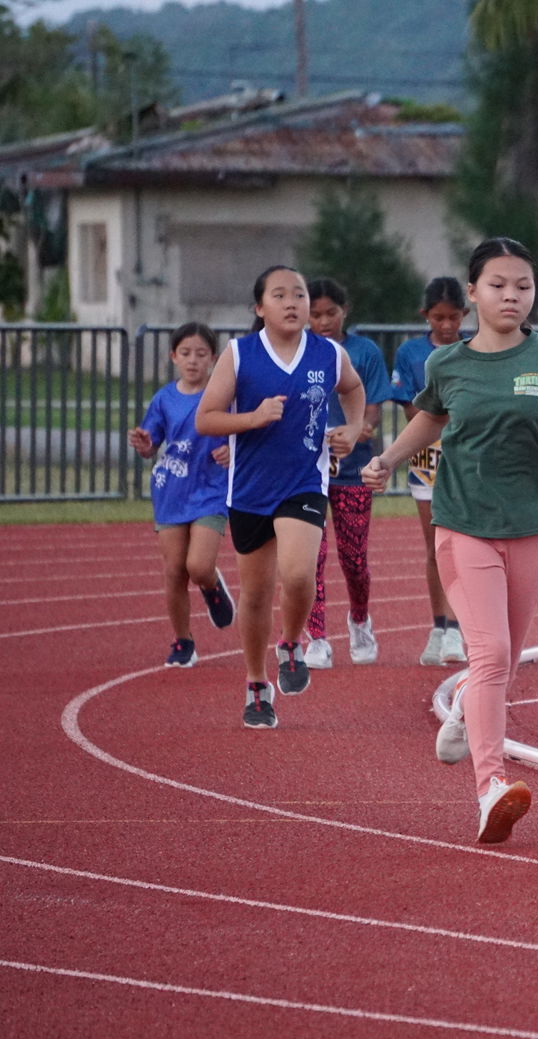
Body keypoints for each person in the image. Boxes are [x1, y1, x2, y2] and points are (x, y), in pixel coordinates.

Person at [362, 237, 538, 845]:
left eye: (523, 286)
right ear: (472, 293)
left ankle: (466, 695)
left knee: (503, 662)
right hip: (463, 524)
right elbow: (431, 416)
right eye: (498, 285)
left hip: (533, 526)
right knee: (492, 652)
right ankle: (491, 786)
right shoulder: (446, 364)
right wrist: (389, 457)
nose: (512, 296)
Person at [196, 265, 365, 729]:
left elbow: (352, 390)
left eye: (300, 294)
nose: (292, 303)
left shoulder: (329, 354)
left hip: (303, 484)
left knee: (296, 575)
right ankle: (257, 684)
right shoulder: (239, 354)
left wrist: (350, 429)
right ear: (259, 307)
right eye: (280, 295)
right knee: (254, 595)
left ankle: (291, 642)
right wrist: (252, 418)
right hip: (249, 490)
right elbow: (206, 419)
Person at [127, 322, 236, 666]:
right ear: (173, 356)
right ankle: (183, 641)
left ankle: (211, 585)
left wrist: (234, 450)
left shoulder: (224, 397)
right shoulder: (164, 398)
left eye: (201, 354)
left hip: (211, 490)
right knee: (175, 570)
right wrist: (145, 445)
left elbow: (244, 432)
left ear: (214, 358)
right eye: (185, 353)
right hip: (171, 490)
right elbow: (152, 443)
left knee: (199, 566)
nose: (193, 361)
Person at [302, 277, 393, 669]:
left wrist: (360, 429)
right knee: (310, 556)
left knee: (353, 558)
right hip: (306, 470)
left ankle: (359, 618)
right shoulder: (300, 351)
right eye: (315, 314)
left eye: (330, 313)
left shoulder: (364, 351)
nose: (323, 321)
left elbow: (372, 405)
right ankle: (317, 636)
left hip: (353, 468)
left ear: (345, 311)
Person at [388, 277, 469, 666]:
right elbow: (408, 408)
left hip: (466, 456)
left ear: (465, 315)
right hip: (425, 456)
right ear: (426, 316)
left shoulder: (474, 349)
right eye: (439, 318)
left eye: (454, 318)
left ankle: (456, 628)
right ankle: (438, 626)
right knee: (435, 547)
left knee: (460, 544)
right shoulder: (411, 352)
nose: (447, 325)